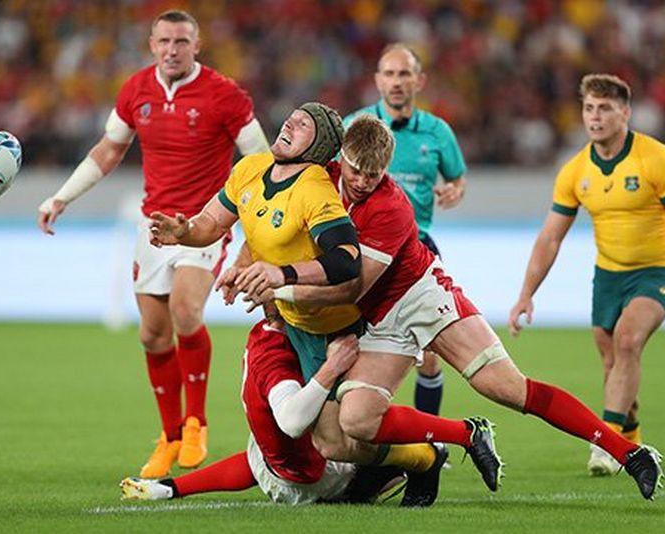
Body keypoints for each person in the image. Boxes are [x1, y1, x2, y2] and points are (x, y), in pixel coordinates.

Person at [233, 114, 664, 500]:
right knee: (357, 422)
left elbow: (348, 289)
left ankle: (630, 453)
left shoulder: (390, 207)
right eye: (355, 170)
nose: (363, 181)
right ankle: (458, 438)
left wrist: (279, 287)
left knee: (508, 389)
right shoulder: (316, 180)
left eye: (373, 173)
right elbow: (271, 220)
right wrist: (245, 262)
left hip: (420, 297)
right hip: (377, 320)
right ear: (339, 158)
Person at [148, 103, 503, 507]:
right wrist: (185, 232)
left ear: (319, 148)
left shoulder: (316, 189)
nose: (290, 122)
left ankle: (447, 443)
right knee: (336, 442)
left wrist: (279, 278)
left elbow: (344, 261)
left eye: (304, 124)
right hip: (294, 321)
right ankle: (422, 459)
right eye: (293, 117)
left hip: (330, 325)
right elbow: (213, 225)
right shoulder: (249, 169)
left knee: (345, 431)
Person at [36, 9, 270, 477]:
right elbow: (107, 150)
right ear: (151, 44)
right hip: (153, 226)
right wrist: (61, 196)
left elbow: (261, 161)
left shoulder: (225, 95)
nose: (172, 49)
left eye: (181, 41)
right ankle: (169, 436)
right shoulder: (136, 90)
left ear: (196, 45)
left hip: (204, 224)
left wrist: (260, 228)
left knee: (187, 311)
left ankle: (197, 422)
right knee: (151, 334)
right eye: (164, 41)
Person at [508, 73, 665, 476]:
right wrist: (525, 293)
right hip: (608, 275)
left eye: (605, 108)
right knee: (610, 357)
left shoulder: (657, 160)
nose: (595, 117)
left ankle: (606, 442)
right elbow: (550, 238)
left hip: (656, 270)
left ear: (625, 113)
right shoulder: (575, 171)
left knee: (628, 339)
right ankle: (631, 438)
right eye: (589, 108)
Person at [120, 320, 406, 505]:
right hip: (310, 475)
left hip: (282, 458)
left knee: (268, 458)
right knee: (359, 426)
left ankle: (168, 488)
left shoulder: (264, 337)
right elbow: (294, 424)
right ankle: (427, 451)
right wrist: (331, 369)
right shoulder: (277, 352)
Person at [344, 43, 468, 417]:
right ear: (377, 80)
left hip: (418, 246)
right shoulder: (355, 125)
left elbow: (458, 178)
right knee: (350, 342)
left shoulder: (437, 132)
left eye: (404, 74)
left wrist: (453, 191)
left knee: (430, 354)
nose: (397, 82)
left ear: (419, 80)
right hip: (362, 247)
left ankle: (431, 441)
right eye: (390, 74)